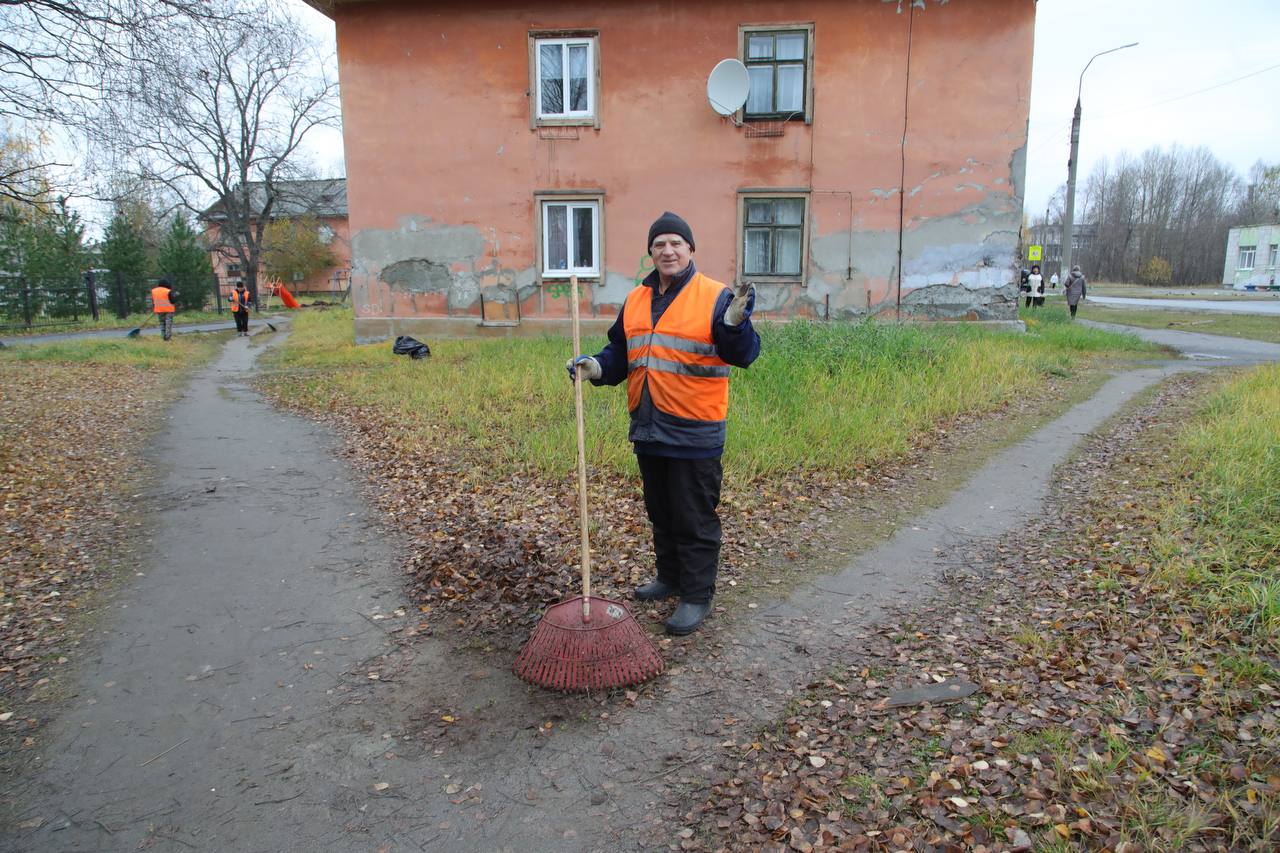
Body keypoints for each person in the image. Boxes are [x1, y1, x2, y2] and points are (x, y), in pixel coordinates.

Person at [566, 212, 760, 636]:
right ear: (650, 252)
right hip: (649, 427)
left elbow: (742, 353)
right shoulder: (637, 298)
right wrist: (596, 366)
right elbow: (622, 350)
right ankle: (670, 578)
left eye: (676, 242)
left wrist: (735, 324)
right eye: (659, 244)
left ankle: (695, 594)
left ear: (690, 249)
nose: (667, 250)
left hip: (695, 430)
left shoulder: (716, 297)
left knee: (693, 515)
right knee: (661, 511)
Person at [151, 277, 177, 341]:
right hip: (168, 310)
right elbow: (172, 301)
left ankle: (163, 337)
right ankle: (168, 337)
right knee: (168, 324)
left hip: (159, 310)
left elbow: (153, 300)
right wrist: (175, 296)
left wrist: (154, 308)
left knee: (162, 323)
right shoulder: (168, 291)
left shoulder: (154, 291)